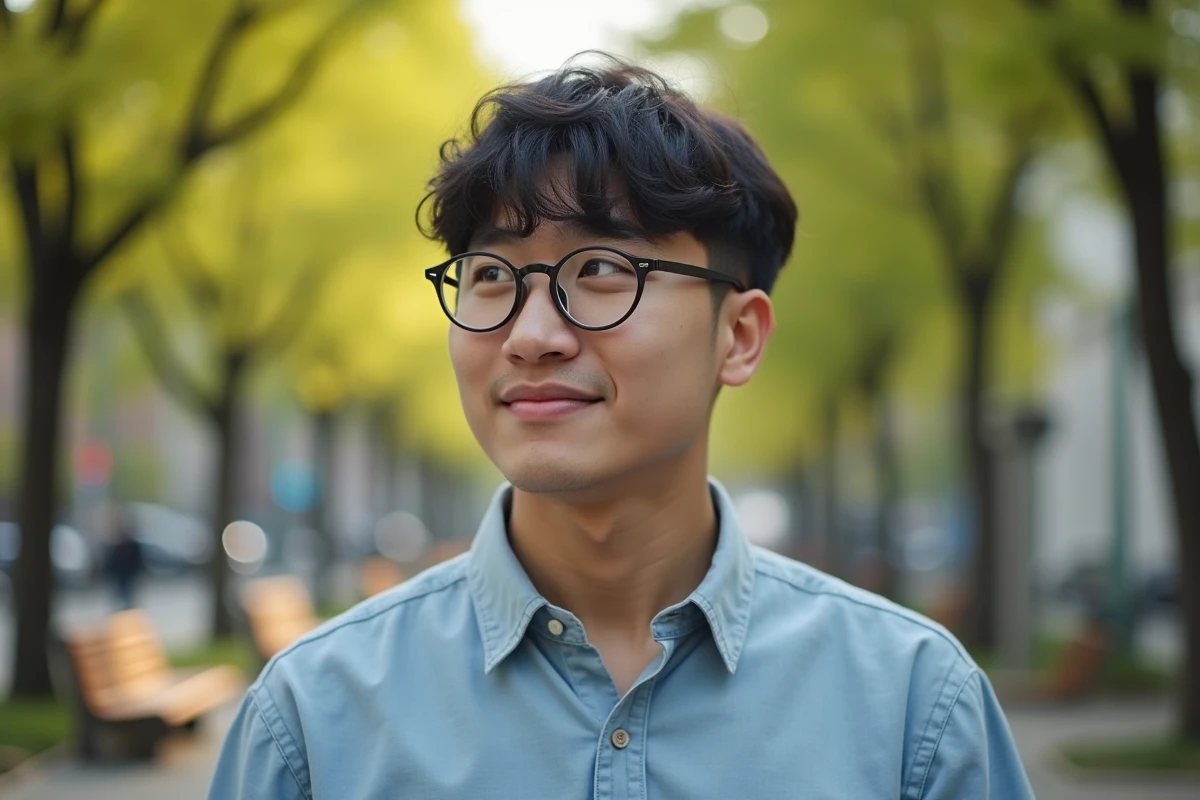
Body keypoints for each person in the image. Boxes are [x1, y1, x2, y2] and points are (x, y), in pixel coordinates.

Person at [210, 56, 1033, 798]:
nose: (532, 334)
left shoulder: (912, 708)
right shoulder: (317, 718)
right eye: (492, 274)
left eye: (602, 269)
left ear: (737, 336)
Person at [105, 506, 144, 610]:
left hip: (128, 574)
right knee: (119, 597)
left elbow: (137, 559)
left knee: (128, 597)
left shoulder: (132, 544)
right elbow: (111, 559)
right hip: (120, 575)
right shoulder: (116, 544)